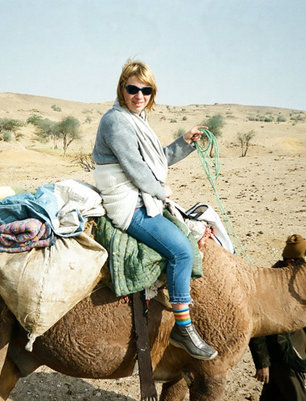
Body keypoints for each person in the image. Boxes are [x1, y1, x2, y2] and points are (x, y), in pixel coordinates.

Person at [91, 59, 217, 360]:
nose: (139, 96)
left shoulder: (138, 121)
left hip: (141, 196)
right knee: (183, 251)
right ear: (122, 89)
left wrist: (184, 143)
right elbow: (136, 168)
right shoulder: (116, 121)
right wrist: (161, 190)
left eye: (146, 90)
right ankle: (182, 328)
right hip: (129, 205)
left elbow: (154, 161)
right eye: (132, 89)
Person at [243, 234, 306, 401]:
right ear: (291, 262)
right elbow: (257, 326)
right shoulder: (271, 283)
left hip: (296, 354)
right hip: (281, 357)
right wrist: (262, 362)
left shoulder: (298, 281)